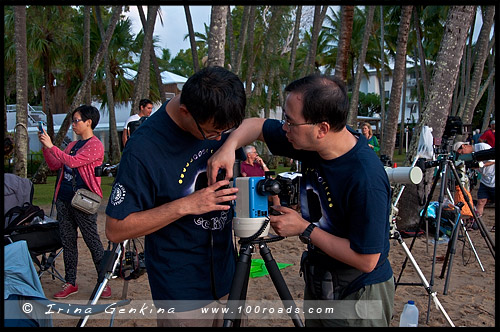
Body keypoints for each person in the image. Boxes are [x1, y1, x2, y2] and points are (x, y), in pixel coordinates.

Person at [207, 74, 394, 327]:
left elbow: (367, 260)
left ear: (322, 129)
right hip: (320, 278)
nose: (284, 128)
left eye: (290, 122)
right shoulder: (311, 143)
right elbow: (258, 126)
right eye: (285, 118)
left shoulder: (365, 177)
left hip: (358, 294)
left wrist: (304, 228)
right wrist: (229, 147)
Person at [105, 66, 246, 327]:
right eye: (213, 133)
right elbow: (115, 229)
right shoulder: (143, 148)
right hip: (182, 291)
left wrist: (229, 143)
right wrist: (187, 205)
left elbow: (255, 127)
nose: (218, 137)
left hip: (228, 277)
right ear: (185, 111)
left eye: (225, 132)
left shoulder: (218, 121)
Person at [38, 105, 110, 299]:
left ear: (89, 122)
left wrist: (52, 146)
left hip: (84, 201)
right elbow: (56, 164)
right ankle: (71, 282)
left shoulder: (95, 145)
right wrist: (47, 149)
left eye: (76, 120)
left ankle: (103, 282)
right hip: (64, 198)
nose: (74, 124)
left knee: (92, 241)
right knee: (68, 242)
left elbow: (73, 162)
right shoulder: (72, 145)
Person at [454, 141, 495, 219]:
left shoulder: (482, 147)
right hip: (485, 180)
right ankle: (476, 221)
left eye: (462, 152)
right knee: (481, 201)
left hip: (493, 179)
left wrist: (481, 164)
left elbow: (493, 161)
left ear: (464, 146)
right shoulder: (471, 156)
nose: (463, 154)